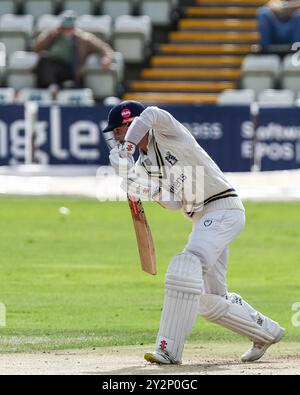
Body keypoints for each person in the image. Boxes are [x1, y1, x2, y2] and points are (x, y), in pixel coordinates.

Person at [103, 100, 285, 365]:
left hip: (224, 207)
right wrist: (134, 181)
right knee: (209, 302)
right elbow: (173, 203)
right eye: (117, 134)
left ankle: (168, 349)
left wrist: (128, 148)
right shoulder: (144, 164)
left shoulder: (166, 130)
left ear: (131, 124)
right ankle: (265, 331)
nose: (118, 138)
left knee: (185, 267)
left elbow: (150, 114)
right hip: (202, 218)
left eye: (120, 131)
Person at [32, 10, 114, 89]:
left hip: (74, 70)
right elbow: (36, 48)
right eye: (64, 27)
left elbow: (104, 48)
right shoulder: (53, 35)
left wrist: (106, 58)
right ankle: (51, 87)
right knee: (44, 60)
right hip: (54, 68)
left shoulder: (84, 38)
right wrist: (50, 36)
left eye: (69, 27)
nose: (67, 30)